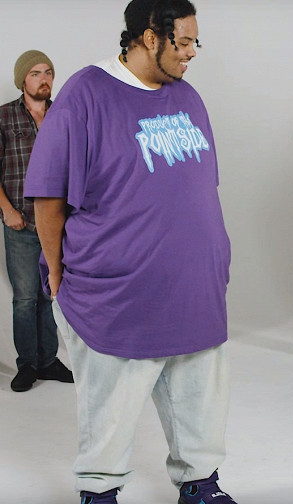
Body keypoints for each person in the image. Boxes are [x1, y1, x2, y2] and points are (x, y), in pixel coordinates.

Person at [24, 1, 236, 503]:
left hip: (194, 287)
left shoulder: (187, 97)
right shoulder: (86, 93)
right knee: (111, 403)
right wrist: (55, 270)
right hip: (117, 292)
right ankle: (99, 490)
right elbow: (49, 196)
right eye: (184, 41)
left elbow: (201, 186)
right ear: (149, 37)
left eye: (195, 42)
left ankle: (199, 482)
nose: (192, 53)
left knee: (198, 396)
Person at [0, 50, 73, 392]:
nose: (44, 79)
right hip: (21, 222)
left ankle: (49, 361)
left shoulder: (64, 116)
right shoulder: (4, 117)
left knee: (51, 293)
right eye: (35, 73)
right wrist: (7, 210)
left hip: (58, 223)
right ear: (22, 80)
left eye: (48, 72)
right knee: (26, 298)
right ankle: (28, 363)